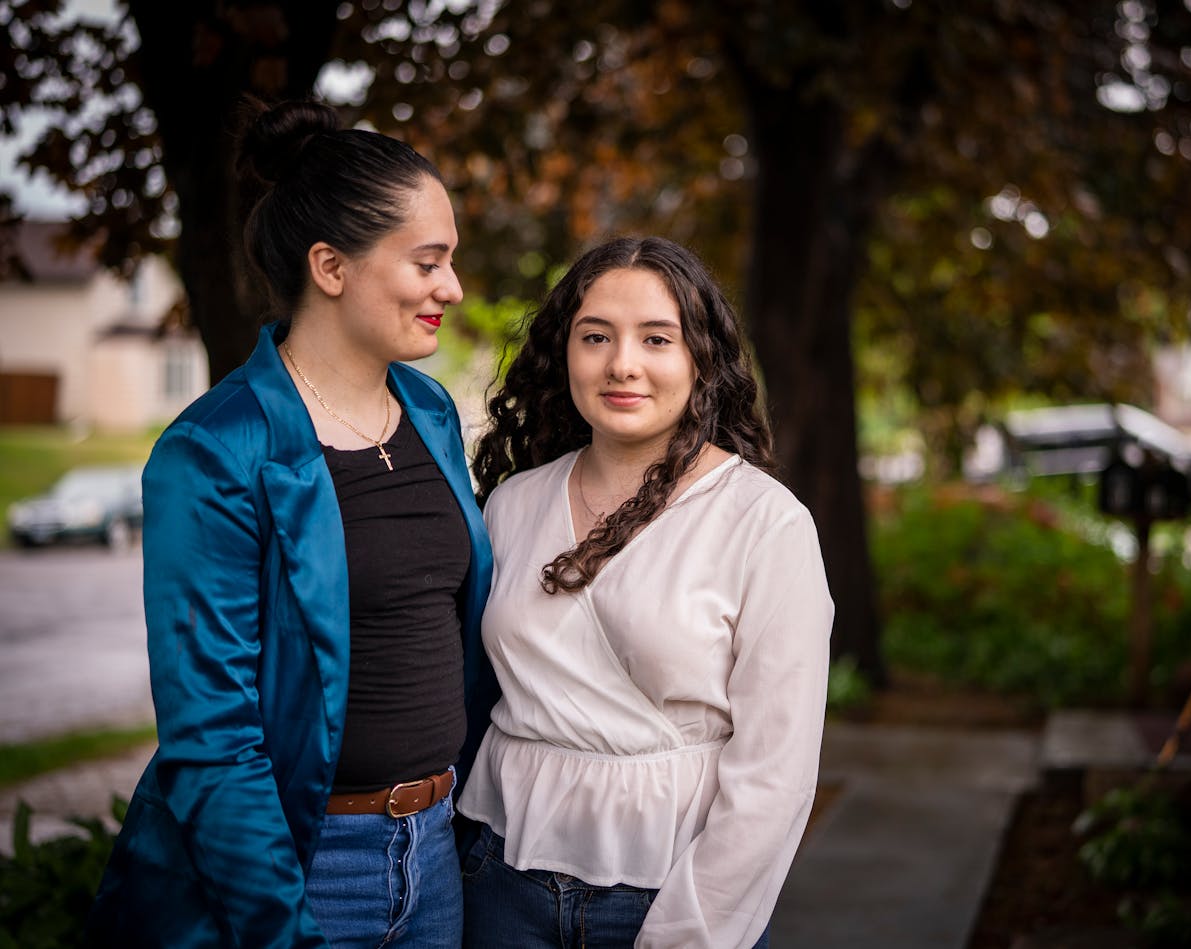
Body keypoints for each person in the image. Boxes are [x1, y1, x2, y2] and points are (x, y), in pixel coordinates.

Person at [87, 99, 499, 948]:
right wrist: (283, 926)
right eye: (428, 262)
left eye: (449, 261)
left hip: (433, 856)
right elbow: (213, 739)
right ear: (331, 266)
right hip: (308, 867)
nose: (451, 288)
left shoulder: (427, 409)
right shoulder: (214, 449)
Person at [457, 236, 834, 948]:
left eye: (656, 338)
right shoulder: (512, 504)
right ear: (562, 351)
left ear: (702, 358)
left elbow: (774, 776)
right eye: (594, 336)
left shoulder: (764, 522)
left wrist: (693, 931)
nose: (621, 363)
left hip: (664, 893)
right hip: (497, 879)